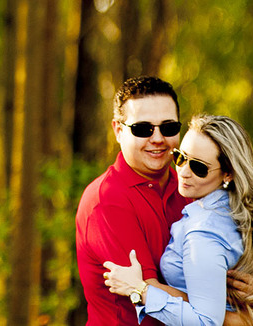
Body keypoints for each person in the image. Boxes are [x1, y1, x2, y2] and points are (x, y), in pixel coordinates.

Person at [102, 114, 253, 326]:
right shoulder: (229, 209)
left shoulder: (203, 231)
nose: (183, 172)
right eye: (180, 157)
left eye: (199, 167)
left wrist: (140, 290)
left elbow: (206, 322)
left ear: (228, 174)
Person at [75, 76, 188, 325]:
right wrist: (226, 311)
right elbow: (149, 293)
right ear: (118, 130)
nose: (157, 138)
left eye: (168, 127)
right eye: (142, 129)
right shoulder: (106, 200)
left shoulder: (190, 188)